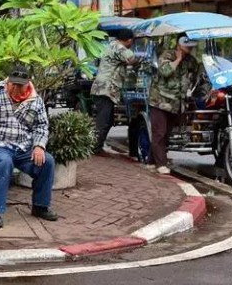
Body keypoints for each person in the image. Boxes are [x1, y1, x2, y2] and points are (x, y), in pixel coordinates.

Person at [0, 65, 58, 228]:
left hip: (22, 146)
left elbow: (41, 125)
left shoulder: (35, 99)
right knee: (3, 162)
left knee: (47, 161)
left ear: (28, 83)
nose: (16, 88)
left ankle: (40, 206)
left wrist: (39, 145)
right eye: (13, 84)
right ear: (8, 81)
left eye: (20, 85)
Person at [148, 37, 213, 175]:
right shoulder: (167, 55)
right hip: (160, 101)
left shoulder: (191, 61)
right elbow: (164, 71)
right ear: (178, 44)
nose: (190, 49)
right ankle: (160, 164)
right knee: (159, 133)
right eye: (187, 46)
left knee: (166, 134)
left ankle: (151, 161)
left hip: (177, 103)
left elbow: (198, 74)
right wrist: (177, 60)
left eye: (191, 46)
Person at [90, 28, 140, 155]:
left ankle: (97, 146)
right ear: (129, 40)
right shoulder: (118, 47)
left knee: (108, 120)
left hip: (105, 89)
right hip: (106, 89)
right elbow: (132, 58)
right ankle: (95, 148)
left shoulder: (112, 45)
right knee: (103, 121)